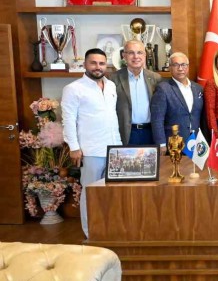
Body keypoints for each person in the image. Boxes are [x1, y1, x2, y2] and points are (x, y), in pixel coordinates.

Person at [61, 48, 121, 238]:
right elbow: (68, 120)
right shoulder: (73, 89)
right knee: (90, 194)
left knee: (112, 194)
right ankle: (91, 233)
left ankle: (110, 230)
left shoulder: (111, 86)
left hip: (114, 149)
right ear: (85, 64)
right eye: (93, 63)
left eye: (101, 63)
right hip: (91, 150)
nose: (98, 67)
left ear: (106, 65)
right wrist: (74, 147)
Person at [108, 39, 162, 145]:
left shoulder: (155, 78)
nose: (136, 56)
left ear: (145, 55)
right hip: (126, 133)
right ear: (124, 56)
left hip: (151, 132)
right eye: (131, 53)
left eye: (139, 52)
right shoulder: (113, 79)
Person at [150, 52, 204, 151]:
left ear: (188, 67)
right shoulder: (163, 88)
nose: (180, 68)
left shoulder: (198, 88)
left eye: (183, 64)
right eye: (176, 65)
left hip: (196, 142)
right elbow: (157, 119)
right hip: (174, 143)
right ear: (170, 68)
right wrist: (161, 144)